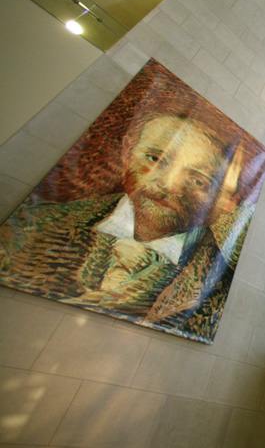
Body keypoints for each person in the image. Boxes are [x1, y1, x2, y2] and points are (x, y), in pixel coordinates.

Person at [0, 111, 245, 340]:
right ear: (128, 151)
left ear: (226, 203)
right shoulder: (33, 223)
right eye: (156, 158)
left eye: (198, 181)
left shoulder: (220, 289)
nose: (169, 185)